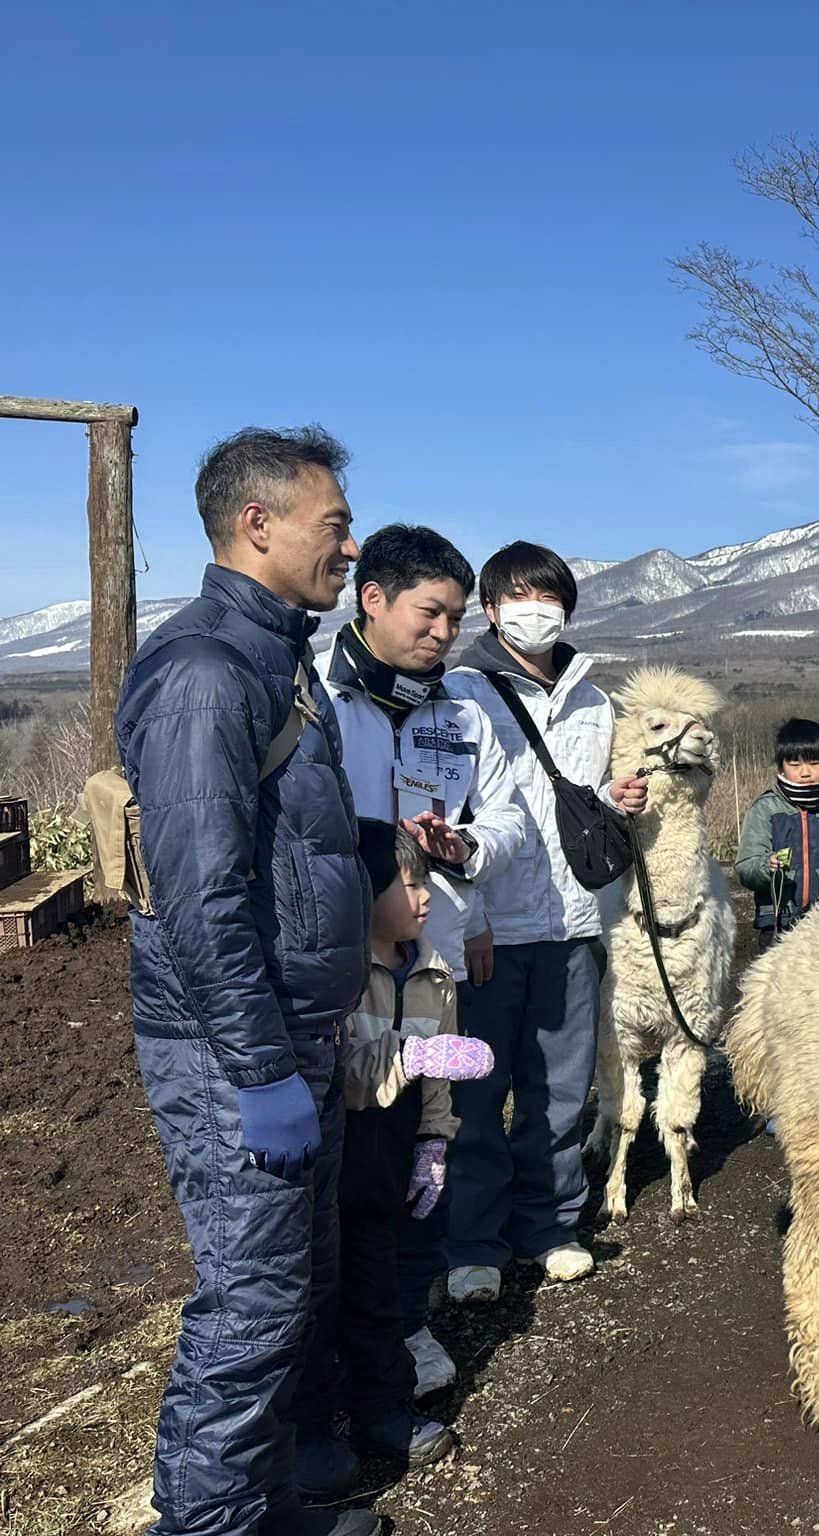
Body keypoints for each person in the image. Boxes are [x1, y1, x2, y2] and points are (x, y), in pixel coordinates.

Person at [116, 426, 384, 1536]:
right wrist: (262, 1069)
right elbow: (200, 898)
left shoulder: (277, 655)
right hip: (236, 1053)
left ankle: (267, 1507)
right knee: (250, 1311)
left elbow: (288, 856)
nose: (351, 547)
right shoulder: (204, 673)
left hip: (292, 1034)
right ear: (258, 524)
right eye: (336, 526)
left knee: (291, 1296)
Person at [312, 523, 527, 1430]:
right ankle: (348, 1342)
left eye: (456, 618)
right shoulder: (318, 701)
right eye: (429, 614)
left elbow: (508, 818)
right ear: (373, 600)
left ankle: (408, 1318)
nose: (445, 635)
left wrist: (466, 851)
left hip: (432, 970)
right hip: (344, 973)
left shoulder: (462, 714)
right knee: (355, 1157)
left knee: (426, 1139)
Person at [439, 542, 648, 1301]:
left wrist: (615, 799)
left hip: (574, 924)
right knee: (473, 1096)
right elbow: (451, 817)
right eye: (520, 598)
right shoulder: (458, 695)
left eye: (550, 598)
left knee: (559, 1092)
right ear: (491, 609)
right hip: (490, 931)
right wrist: (469, 919)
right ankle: (472, 1243)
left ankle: (549, 1226)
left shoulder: (593, 701)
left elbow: (580, 800)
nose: (537, 612)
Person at [316, 824, 494, 1485]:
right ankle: (318, 1414)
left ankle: (384, 1411)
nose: (425, 899)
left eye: (427, 884)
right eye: (411, 885)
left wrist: (434, 1141)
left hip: (392, 1154)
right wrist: (411, 1054)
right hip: (339, 1155)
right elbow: (340, 1075)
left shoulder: (433, 974)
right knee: (325, 1293)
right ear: (365, 894)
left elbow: (440, 1080)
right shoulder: (339, 978)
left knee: (379, 1285)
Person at [735, 718, 819, 939]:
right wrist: (766, 866)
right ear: (781, 767)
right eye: (795, 765)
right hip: (778, 924)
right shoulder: (764, 809)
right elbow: (746, 867)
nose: (805, 772)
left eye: (814, 763)